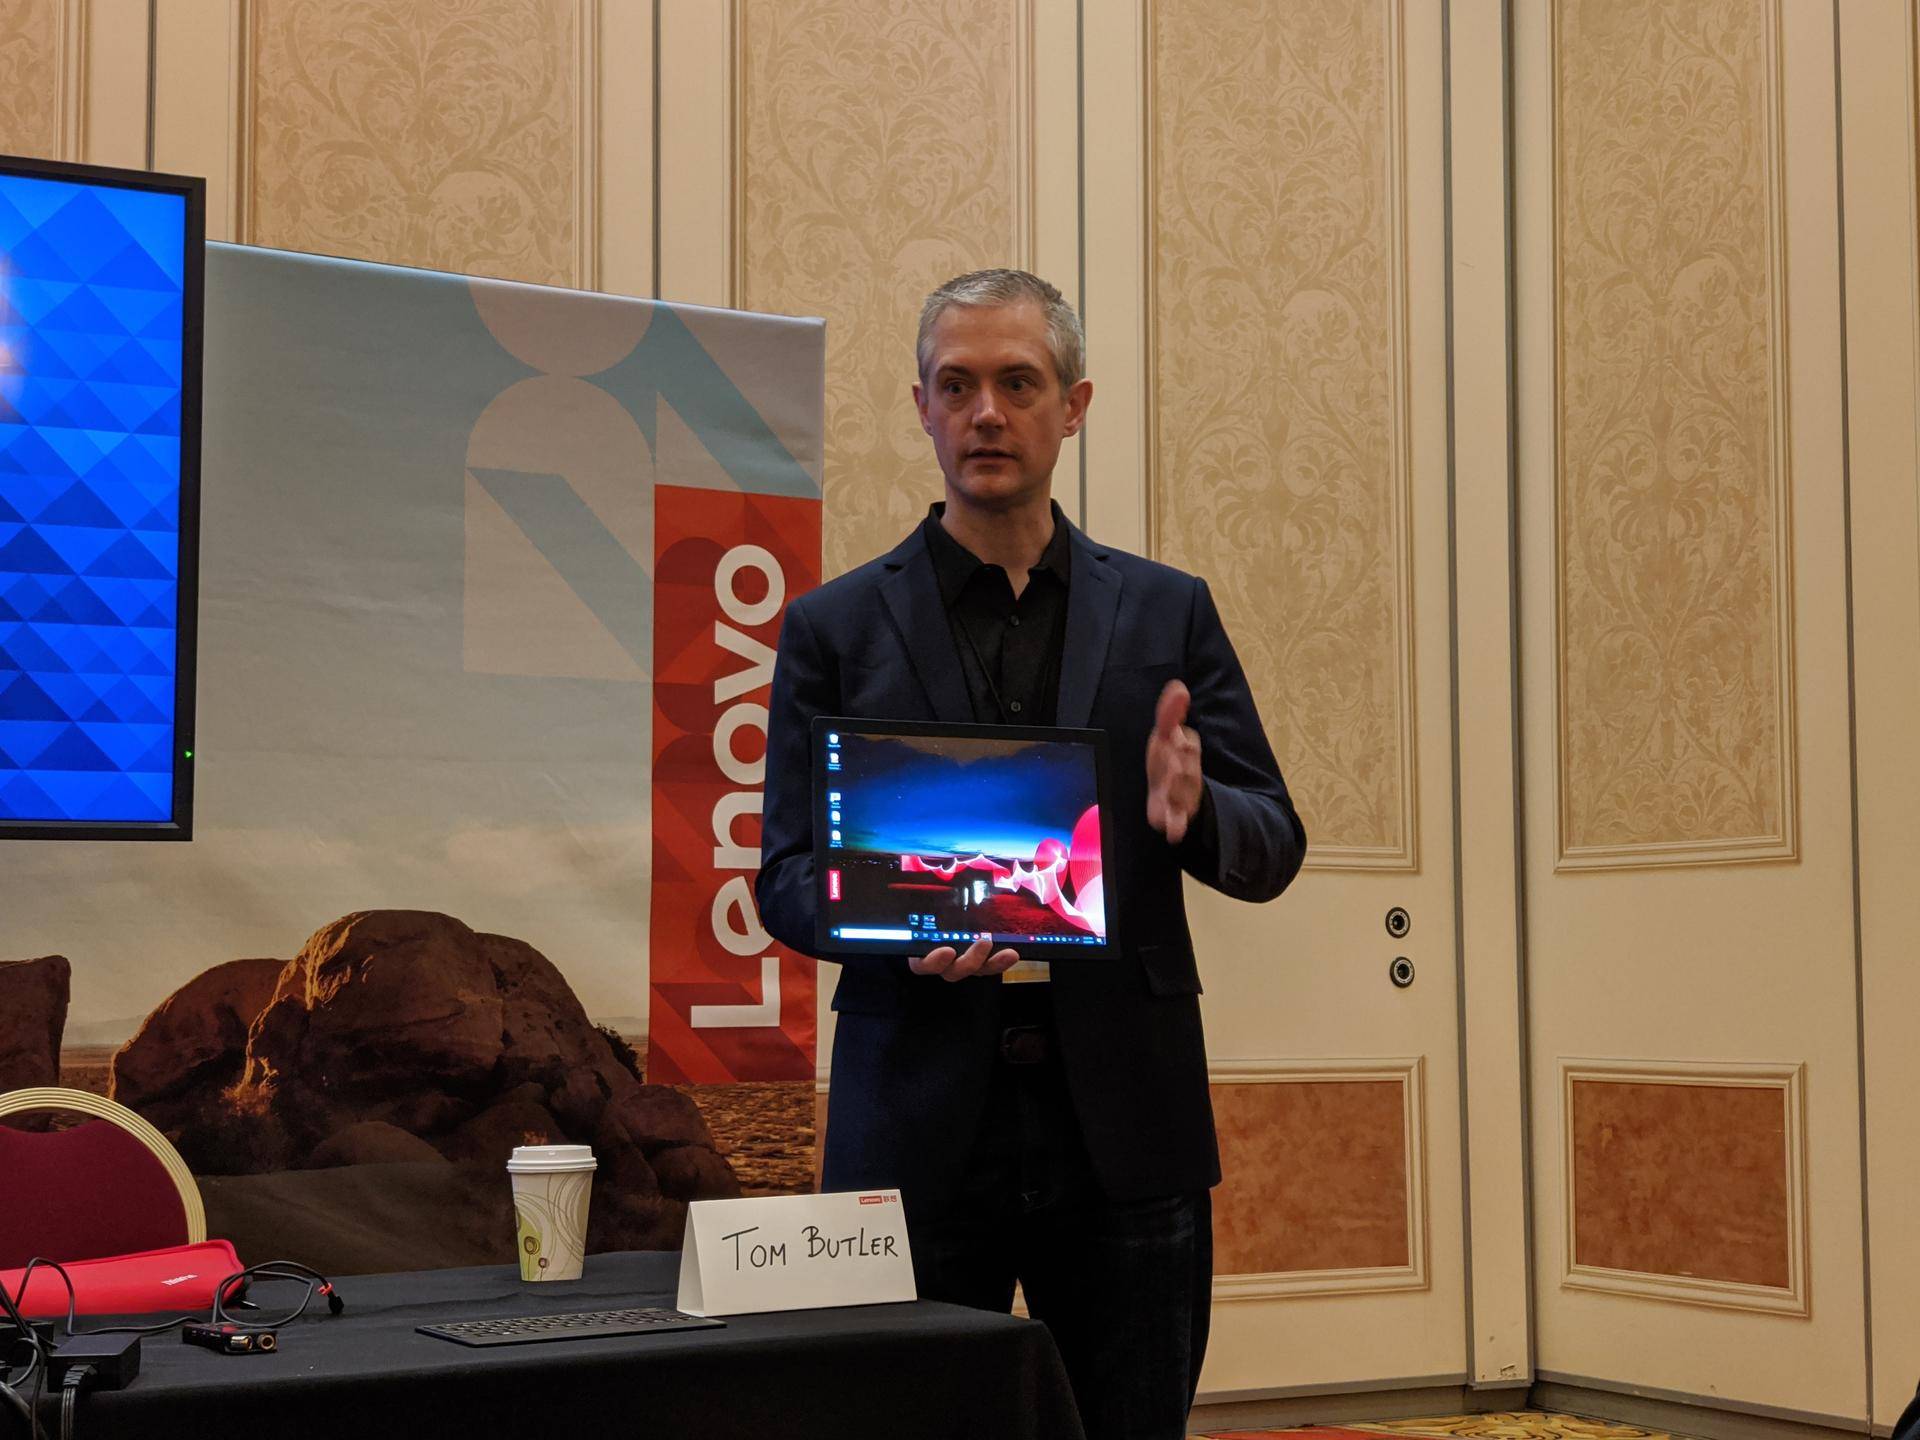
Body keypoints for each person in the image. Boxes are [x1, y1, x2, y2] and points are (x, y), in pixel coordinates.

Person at [756, 269, 1305, 1440]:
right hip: (915, 1116)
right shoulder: (834, 627)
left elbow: (1273, 845)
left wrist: (1198, 810)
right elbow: (789, 881)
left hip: (1125, 1120)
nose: (987, 413)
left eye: (1018, 383)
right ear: (921, 407)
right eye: (957, 386)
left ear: (1074, 406)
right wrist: (899, 935)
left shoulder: (1167, 613)